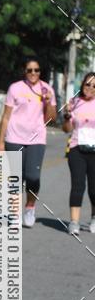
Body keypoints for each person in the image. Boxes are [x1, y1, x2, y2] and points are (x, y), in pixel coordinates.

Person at [0, 58, 56, 228]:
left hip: (37, 139)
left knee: (33, 177)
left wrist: (48, 101)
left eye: (36, 70)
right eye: (30, 70)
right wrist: (0, 143)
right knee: (15, 178)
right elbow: (6, 116)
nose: (33, 73)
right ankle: (15, 213)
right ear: (25, 71)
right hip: (14, 138)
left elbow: (51, 119)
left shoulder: (47, 89)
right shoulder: (15, 88)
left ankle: (30, 207)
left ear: (40, 72)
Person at [63, 71, 95, 236]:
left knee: (94, 188)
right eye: (88, 84)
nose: (90, 88)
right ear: (82, 85)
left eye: (94, 86)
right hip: (76, 148)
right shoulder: (74, 102)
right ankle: (74, 222)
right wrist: (67, 116)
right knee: (78, 185)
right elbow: (66, 129)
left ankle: (94, 219)